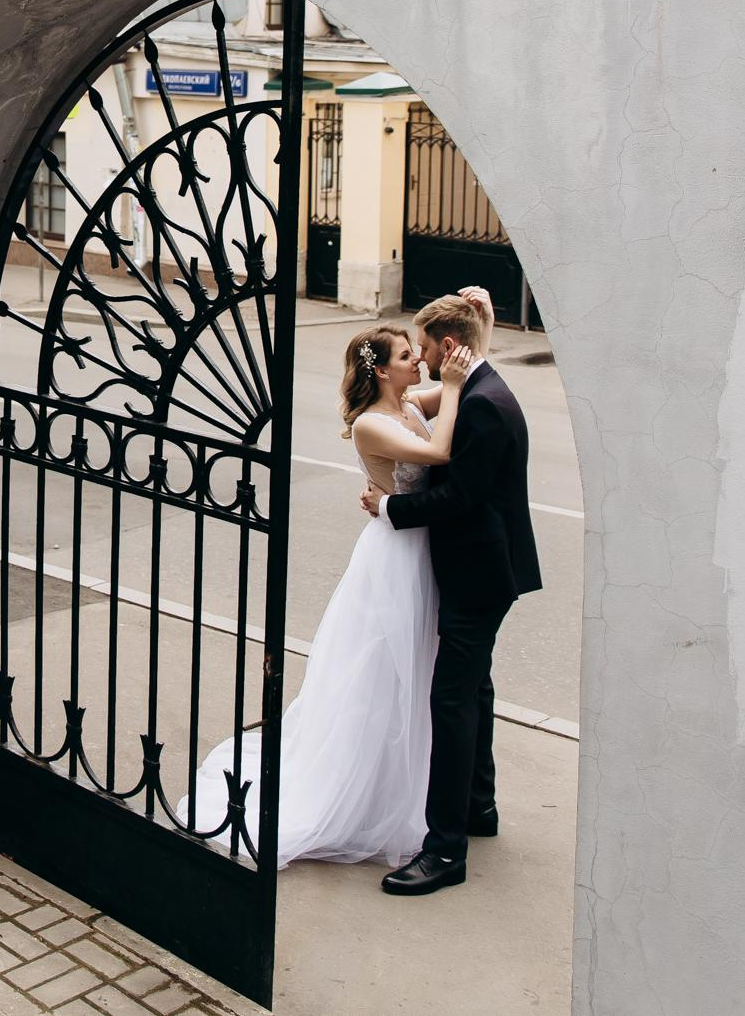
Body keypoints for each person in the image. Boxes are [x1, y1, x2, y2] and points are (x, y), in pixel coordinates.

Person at [186, 321, 477, 865]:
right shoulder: (371, 423)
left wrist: (473, 331)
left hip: (420, 550)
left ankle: (405, 784)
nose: (419, 360)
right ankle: (363, 794)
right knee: (380, 671)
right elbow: (438, 453)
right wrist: (455, 390)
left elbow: (465, 371)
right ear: (381, 370)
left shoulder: (410, 401)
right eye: (407, 355)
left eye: (417, 353)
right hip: (395, 558)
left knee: (414, 671)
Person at [362, 290, 543, 896]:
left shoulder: (484, 405)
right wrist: (482, 322)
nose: (426, 363)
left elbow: (456, 498)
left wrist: (388, 505)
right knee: (477, 688)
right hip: (487, 568)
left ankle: (444, 852)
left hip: (478, 573)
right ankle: (478, 808)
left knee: (452, 702)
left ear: (447, 348)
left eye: (427, 350)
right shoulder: (484, 387)